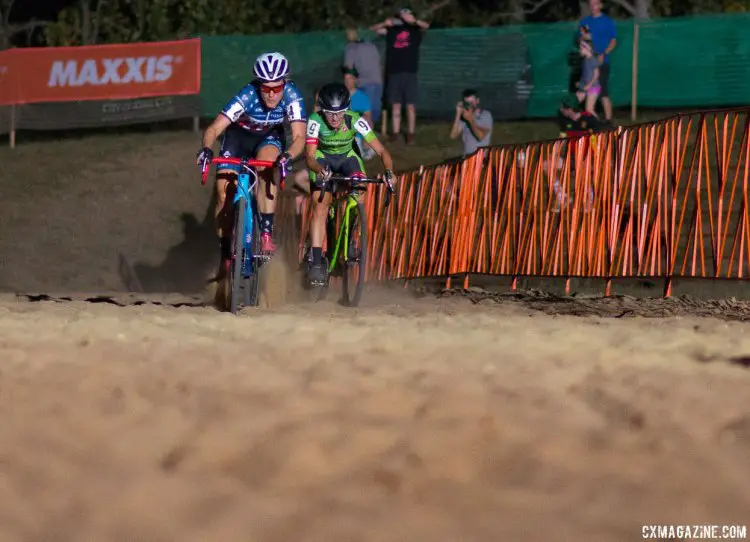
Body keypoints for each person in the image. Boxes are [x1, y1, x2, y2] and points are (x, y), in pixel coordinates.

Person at [196, 52, 307, 279]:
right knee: (222, 190)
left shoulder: (293, 96)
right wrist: (206, 149)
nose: (272, 94)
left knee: (267, 167)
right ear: (258, 84)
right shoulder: (247, 96)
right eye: (266, 88)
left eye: (277, 88)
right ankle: (226, 252)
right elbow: (214, 129)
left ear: (285, 83)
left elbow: (299, 138)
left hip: (268, 137)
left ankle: (265, 234)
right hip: (237, 137)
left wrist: (288, 156)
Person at [304, 82, 394, 284]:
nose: (335, 119)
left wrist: (389, 172)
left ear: (347, 110)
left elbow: (382, 151)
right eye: (330, 113)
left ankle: (353, 231)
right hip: (322, 158)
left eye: (339, 113)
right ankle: (317, 261)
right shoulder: (315, 121)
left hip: (347, 157)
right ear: (322, 110)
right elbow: (309, 157)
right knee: (320, 205)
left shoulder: (356, 120)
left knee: (360, 187)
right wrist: (320, 170)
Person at [371, 7, 429, 145]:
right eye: (402, 14)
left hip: (410, 72)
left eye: (406, 14)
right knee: (395, 105)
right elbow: (373, 29)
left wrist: (414, 21)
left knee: (410, 106)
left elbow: (426, 26)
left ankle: (410, 134)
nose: (404, 17)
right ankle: (395, 133)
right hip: (394, 72)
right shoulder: (392, 30)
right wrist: (384, 23)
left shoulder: (415, 30)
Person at [579, 0, 617, 125]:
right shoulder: (585, 22)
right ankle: (591, 118)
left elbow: (613, 41)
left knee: (602, 91)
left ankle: (608, 120)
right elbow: (582, 38)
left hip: (602, 62)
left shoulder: (607, 21)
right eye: (591, 4)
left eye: (596, 4)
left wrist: (604, 53)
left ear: (600, 5)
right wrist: (584, 41)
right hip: (588, 63)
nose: (593, 7)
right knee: (588, 90)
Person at [343, 27, 383, 125]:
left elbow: (348, 69)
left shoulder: (351, 48)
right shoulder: (371, 46)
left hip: (363, 83)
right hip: (377, 81)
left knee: (363, 114)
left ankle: (364, 138)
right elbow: (379, 63)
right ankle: (371, 136)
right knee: (372, 113)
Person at [343, 66, 375, 160]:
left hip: (357, 133)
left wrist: (366, 137)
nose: (347, 81)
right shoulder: (340, 96)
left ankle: (366, 148)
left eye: (350, 78)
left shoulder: (363, 97)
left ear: (355, 80)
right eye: (345, 79)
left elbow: (368, 117)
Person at [449, 89, 493, 157]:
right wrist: (458, 114)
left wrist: (470, 119)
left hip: (480, 159)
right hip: (466, 158)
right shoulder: (465, 117)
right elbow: (453, 135)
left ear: (477, 101)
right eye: (467, 103)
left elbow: (480, 137)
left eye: (471, 102)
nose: (469, 105)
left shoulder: (485, 115)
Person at [576, 39, 600, 117]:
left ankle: (597, 126)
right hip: (585, 86)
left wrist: (589, 85)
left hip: (593, 87)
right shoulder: (585, 60)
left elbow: (596, 74)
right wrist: (580, 84)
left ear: (588, 48)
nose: (580, 49)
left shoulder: (592, 60)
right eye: (580, 47)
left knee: (589, 110)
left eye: (582, 47)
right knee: (574, 102)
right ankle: (576, 123)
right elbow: (585, 75)